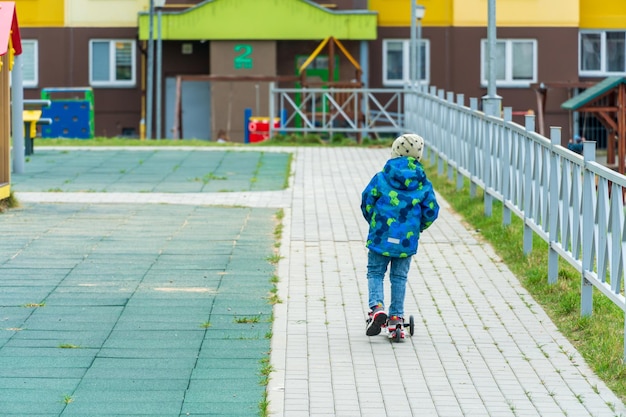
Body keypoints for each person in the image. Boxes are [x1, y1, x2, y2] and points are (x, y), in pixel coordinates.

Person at [361, 134, 440, 339]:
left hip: (381, 236)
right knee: (399, 277)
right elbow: (432, 210)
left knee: (375, 272)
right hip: (406, 239)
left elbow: (367, 201)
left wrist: (374, 221)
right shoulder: (423, 183)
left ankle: (377, 308)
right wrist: (418, 228)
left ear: (395, 151)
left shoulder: (381, 177)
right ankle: (396, 319)